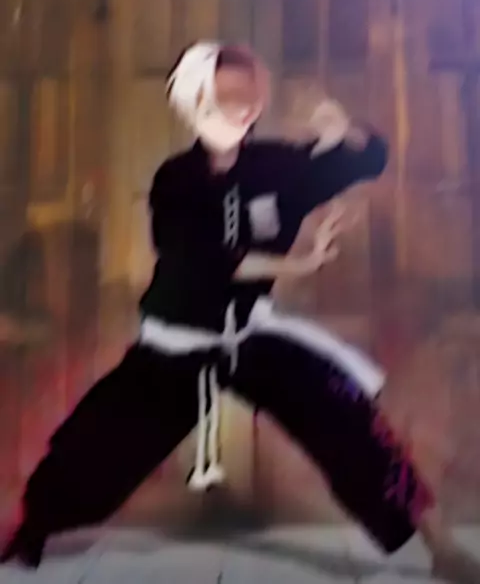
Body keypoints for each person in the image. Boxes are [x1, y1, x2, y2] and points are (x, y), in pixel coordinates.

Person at [1, 41, 478, 583]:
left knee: (349, 421)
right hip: (177, 342)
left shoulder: (277, 166)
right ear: (195, 103)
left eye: (250, 95)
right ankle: (30, 532)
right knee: (101, 437)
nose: (243, 107)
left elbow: (365, 161)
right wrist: (296, 263)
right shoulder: (174, 180)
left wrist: (339, 126)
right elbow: (199, 258)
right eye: (227, 96)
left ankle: (439, 545)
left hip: (252, 336)